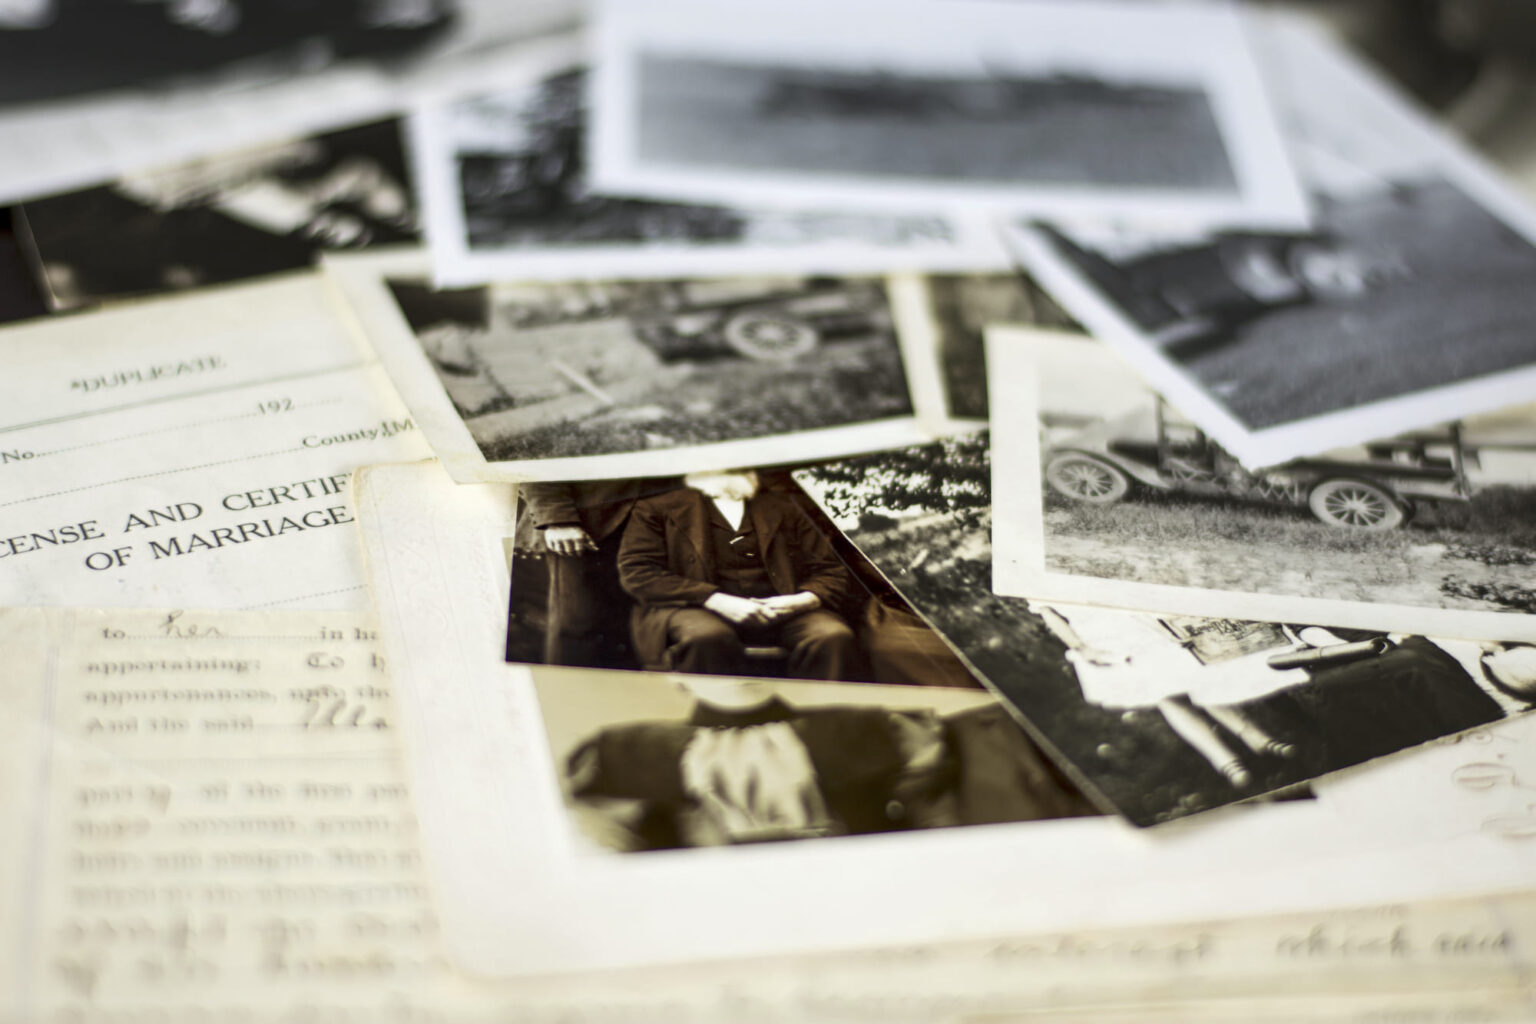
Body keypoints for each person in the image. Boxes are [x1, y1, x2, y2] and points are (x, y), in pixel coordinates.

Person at [617, 471, 859, 679]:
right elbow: (638, 572)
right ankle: (713, 717)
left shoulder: (785, 506)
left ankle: (817, 715)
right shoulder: (657, 508)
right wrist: (715, 600)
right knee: (706, 637)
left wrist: (801, 601)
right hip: (694, 607)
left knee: (831, 636)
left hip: (780, 609)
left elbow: (829, 571)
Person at [522, 479, 677, 668]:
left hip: (652, 519)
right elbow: (537, 466)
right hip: (582, 525)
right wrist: (558, 519)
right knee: (578, 623)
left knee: (642, 628)